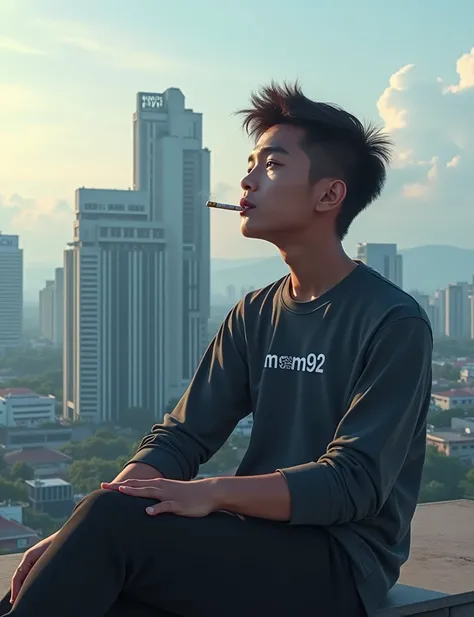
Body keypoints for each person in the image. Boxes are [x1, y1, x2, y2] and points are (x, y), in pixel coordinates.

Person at [0, 82, 432, 617]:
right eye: (251, 163)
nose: (247, 180)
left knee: (109, 533)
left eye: (272, 165)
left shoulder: (391, 320)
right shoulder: (254, 312)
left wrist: (215, 493)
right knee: (92, 570)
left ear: (329, 195)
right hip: (253, 544)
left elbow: (355, 483)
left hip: (340, 562)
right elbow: (181, 437)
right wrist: (77, 529)